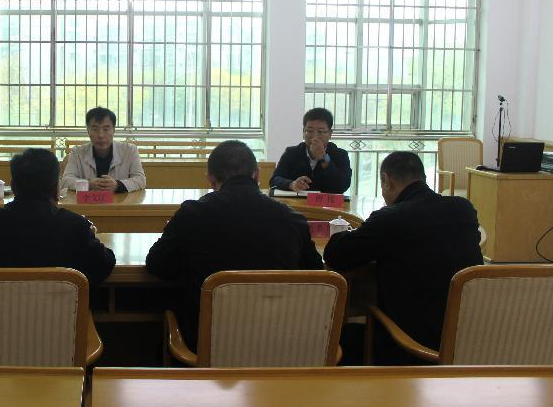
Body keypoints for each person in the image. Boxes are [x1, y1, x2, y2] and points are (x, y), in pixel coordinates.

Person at [145, 140, 323, 350]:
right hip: (280, 346)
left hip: (209, 346)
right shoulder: (292, 219)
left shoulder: (193, 214)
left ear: (211, 180)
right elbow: (316, 275)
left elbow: (157, 265)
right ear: (257, 175)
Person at [324, 151, 483, 364]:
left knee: (341, 336)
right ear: (423, 178)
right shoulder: (463, 209)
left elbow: (335, 255)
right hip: (466, 340)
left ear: (386, 181)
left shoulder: (390, 218)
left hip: (410, 346)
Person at [0, 148, 116, 288]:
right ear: (56, 187)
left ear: (13, 186)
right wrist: (91, 236)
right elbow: (104, 264)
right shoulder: (76, 227)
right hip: (58, 325)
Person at [60, 107, 146, 193]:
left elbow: (141, 180)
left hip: (120, 201)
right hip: (88, 201)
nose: (101, 135)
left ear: (114, 130)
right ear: (88, 131)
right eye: (95, 129)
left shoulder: (129, 150)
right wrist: (88, 184)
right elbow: (66, 181)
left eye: (106, 129)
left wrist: (117, 185)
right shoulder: (77, 152)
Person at [270, 107, 352, 194]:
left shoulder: (340, 155)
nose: (314, 137)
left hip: (325, 202)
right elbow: (274, 180)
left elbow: (343, 185)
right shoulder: (292, 153)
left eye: (320, 132)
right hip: (297, 202)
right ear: (303, 132)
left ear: (330, 134)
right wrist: (291, 184)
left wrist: (323, 158)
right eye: (309, 131)